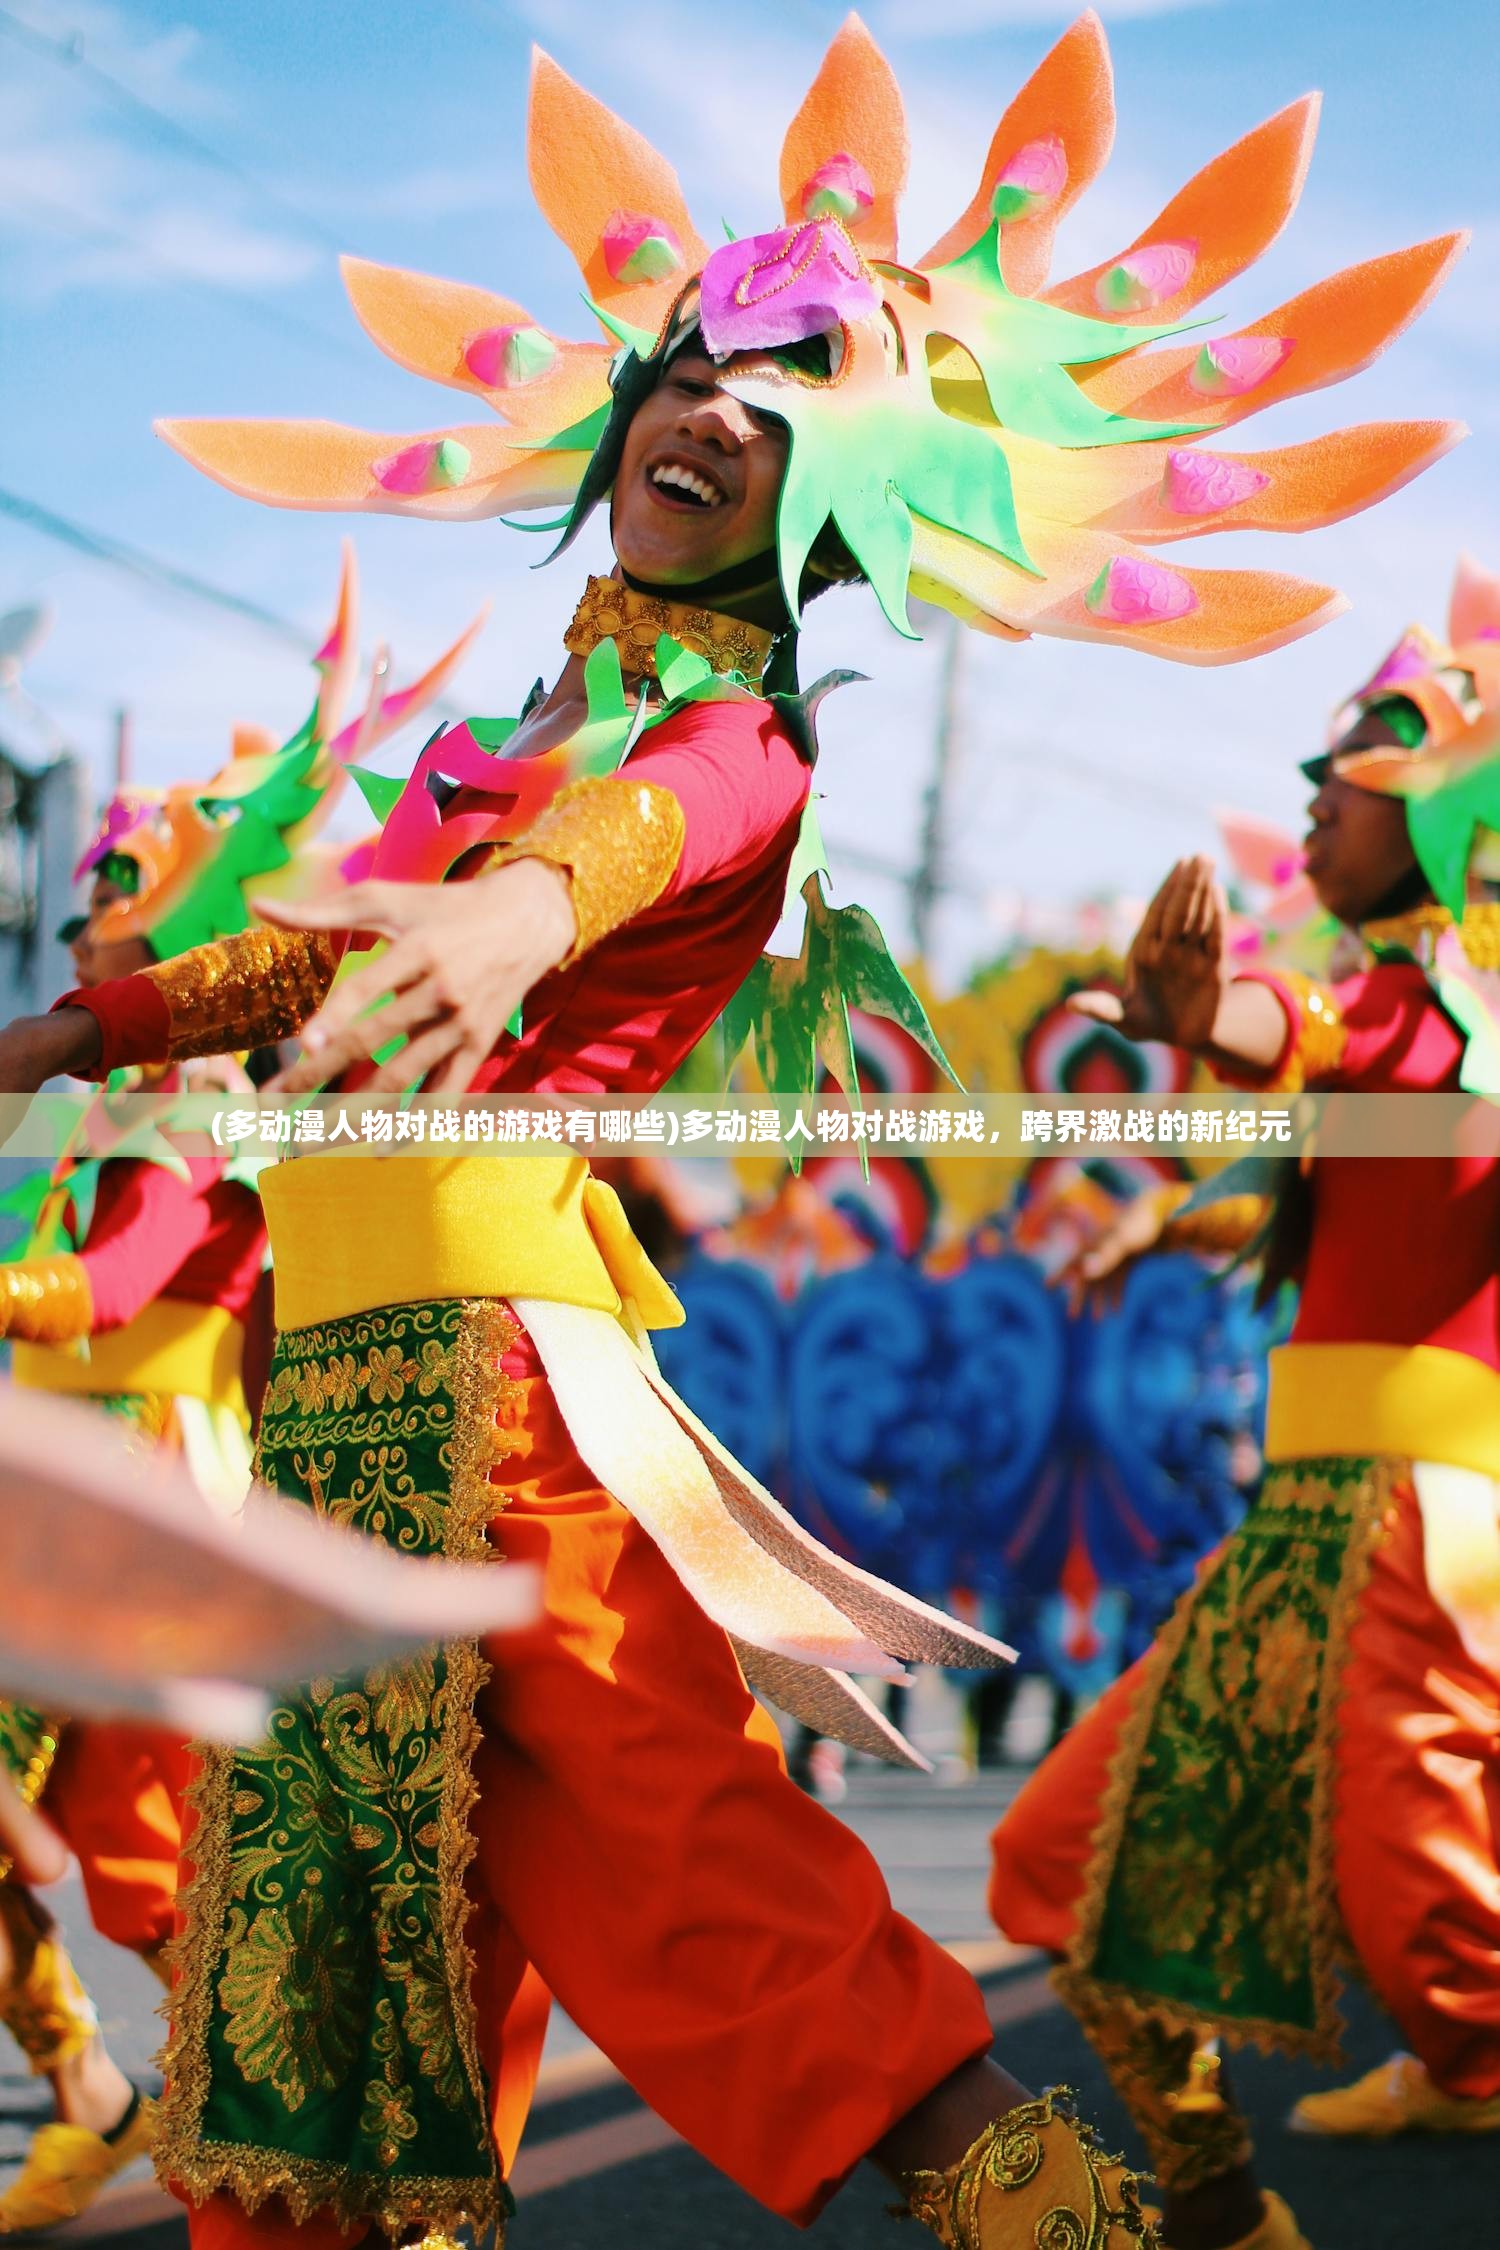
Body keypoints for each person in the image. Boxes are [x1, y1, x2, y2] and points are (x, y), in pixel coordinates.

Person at [0, 17, 1463, 2247]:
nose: (710, 416)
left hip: (504, 1408)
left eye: (775, 414)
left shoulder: (730, 747)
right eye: (690, 373)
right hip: (348, 1395)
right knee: (319, 2007)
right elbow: (315, 953)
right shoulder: (534, 726)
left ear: (834, 499)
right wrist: (70, 1029)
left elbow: (632, 838)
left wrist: (509, 907)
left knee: (715, 1904)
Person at [987, 554, 1500, 2250]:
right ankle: (1239, 2202)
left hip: (1422, 1520)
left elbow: (1324, 1048)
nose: (1308, 798)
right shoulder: (1419, 1017)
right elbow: (1343, 1130)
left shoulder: (1444, 1009)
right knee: (1062, 1863)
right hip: (1323, 1518)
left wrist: (1222, 1021)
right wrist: (1167, 1200)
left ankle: (1471, 2056)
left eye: (1344, 768)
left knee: (1418, 1866)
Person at [0, 559, 474, 2235]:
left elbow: (117, 1290)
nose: (81, 924)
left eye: (113, 894)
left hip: (149, 1492)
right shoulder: (94, 1109)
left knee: (177, 1862)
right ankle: (104, 2086)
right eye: (82, 901)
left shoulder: (198, 1118)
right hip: (66, 1486)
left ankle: (281, 2107)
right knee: (129, 1854)